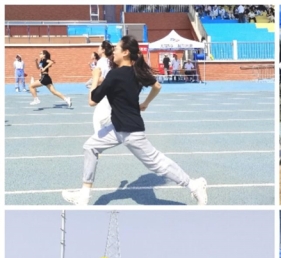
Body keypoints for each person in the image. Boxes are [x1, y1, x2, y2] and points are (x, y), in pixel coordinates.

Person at [60, 36, 207, 206]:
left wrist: (95, 77)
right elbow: (157, 86)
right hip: (116, 128)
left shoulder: (115, 75)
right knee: (90, 147)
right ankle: (84, 196)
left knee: (157, 163)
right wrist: (145, 103)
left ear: (125, 52)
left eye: (116, 48)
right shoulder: (136, 72)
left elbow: (92, 101)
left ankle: (194, 185)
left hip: (131, 132)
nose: (113, 51)